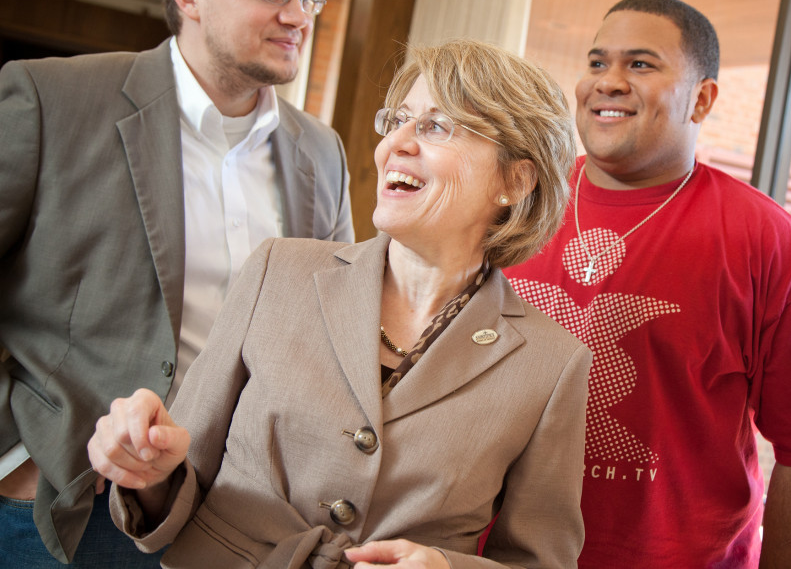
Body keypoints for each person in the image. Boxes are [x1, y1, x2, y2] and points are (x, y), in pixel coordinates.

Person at [86, 39, 591, 568]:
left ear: (515, 180)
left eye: (436, 126)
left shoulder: (552, 365)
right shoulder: (277, 271)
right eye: (397, 120)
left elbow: (543, 560)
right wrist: (148, 468)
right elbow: (184, 474)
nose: (396, 143)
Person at [0, 0, 354, 566]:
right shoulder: (48, 99)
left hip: (228, 516)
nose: (297, 15)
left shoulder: (321, 151)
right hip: (61, 499)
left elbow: (330, 329)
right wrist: (17, 447)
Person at [504, 0, 791, 568]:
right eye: (597, 62)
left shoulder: (770, 243)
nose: (609, 81)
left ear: (702, 99)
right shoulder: (518, 204)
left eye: (640, 64)